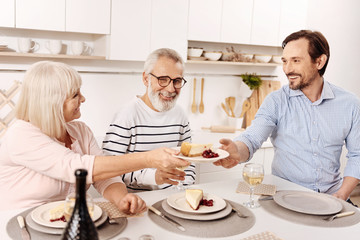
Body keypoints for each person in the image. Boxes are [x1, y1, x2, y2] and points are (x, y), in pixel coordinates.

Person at [0, 61, 190, 211]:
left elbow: (104, 177)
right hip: (19, 223)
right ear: (52, 102)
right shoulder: (21, 133)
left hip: (64, 221)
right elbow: (78, 168)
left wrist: (121, 198)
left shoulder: (80, 131)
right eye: (75, 95)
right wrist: (148, 159)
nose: (83, 99)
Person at [214, 30, 360, 204]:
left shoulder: (349, 104)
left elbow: (357, 154)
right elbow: (252, 138)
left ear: (319, 61)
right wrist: (236, 150)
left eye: (296, 61)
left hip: (334, 198)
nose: (287, 69)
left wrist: (342, 195)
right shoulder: (276, 101)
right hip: (287, 199)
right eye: (284, 61)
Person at [102, 48, 195, 191]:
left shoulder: (180, 115)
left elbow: (189, 161)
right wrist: (153, 177)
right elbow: (108, 170)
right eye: (163, 80)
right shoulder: (127, 115)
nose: (170, 89)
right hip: (137, 201)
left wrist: (186, 192)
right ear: (146, 79)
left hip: (174, 199)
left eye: (177, 81)